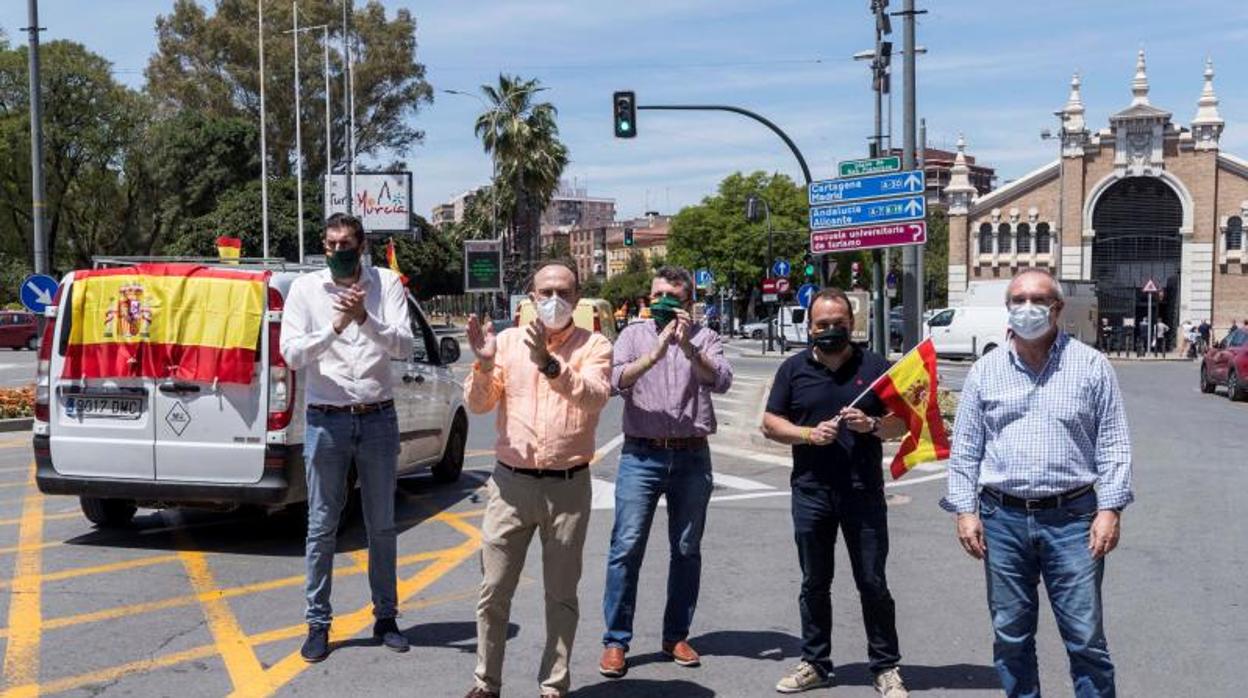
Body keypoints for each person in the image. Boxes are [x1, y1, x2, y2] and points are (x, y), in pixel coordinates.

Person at [943, 268, 1132, 698]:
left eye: (1038, 300)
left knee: (1085, 639)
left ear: (1058, 309)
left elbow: (1114, 443)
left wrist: (1110, 509)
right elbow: (966, 447)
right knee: (1011, 637)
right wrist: (965, 510)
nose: (1027, 308)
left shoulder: (1091, 366)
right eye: (1018, 300)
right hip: (1001, 519)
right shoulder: (985, 371)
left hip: (1073, 520)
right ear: (1008, 308)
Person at [462, 261, 613, 698]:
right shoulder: (506, 343)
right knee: (493, 590)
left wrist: (550, 366)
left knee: (561, 595)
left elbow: (595, 396)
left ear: (578, 298)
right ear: (530, 298)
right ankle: (486, 683)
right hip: (511, 486)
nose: (553, 301)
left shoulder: (594, 345)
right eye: (545, 292)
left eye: (563, 292)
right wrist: (484, 365)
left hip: (568, 487)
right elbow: (478, 405)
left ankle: (553, 685)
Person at [762, 288, 910, 697]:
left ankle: (885, 667)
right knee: (814, 582)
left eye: (838, 324)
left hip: (863, 493)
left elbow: (903, 422)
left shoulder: (876, 367)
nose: (831, 331)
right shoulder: (793, 369)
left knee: (873, 582)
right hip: (811, 493)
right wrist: (808, 434)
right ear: (809, 327)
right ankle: (815, 662)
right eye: (822, 325)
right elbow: (771, 423)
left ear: (852, 324)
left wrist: (874, 426)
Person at [280, 213, 414, 662]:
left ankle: (386, 616)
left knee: (382, 524)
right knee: (321, 526)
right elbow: (292, 354)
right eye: (332, 243)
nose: (339, 250)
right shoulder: (305, 289)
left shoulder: (387, 284)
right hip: (326, 420)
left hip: (377, 417)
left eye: (347, 243)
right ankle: (318, 622)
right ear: (324, 244)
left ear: (362, 245)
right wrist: (336, 325)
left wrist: (365, 318)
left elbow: (403, 345)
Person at [598, 267, 733, 679]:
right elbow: (614, 381)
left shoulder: (705, 337)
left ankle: (675, 635)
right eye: (657, 295)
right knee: (626, 547)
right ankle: (616, 641)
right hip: (642, 454)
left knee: (687, 548)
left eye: (672, 296)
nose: (662, 303)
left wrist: (689, 347)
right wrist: (654, 353)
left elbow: (722, 380)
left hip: (692, 455)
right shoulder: (633, 336)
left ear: (688, 303)